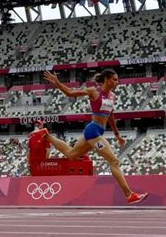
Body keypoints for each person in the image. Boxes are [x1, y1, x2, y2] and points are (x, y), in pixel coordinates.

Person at [42, 68, 148, 204]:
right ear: (107, 79)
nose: (117, 82)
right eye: (114, 79)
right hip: (93, 132)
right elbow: (70, 93)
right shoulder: (94, 91)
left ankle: (47, 136)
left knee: (71, 155)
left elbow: (110, 115)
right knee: (114, 162)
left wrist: (117, 135)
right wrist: (57, 83)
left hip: (98, 131)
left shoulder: (112, 96)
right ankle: (129, 195)